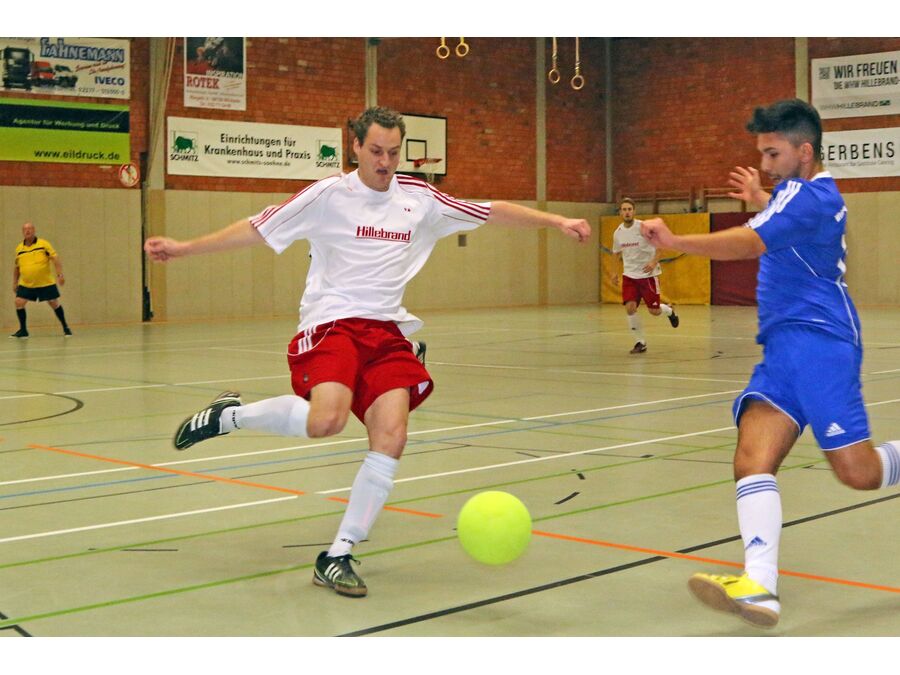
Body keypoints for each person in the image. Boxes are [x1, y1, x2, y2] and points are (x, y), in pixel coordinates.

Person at [144, 106, 591, 598]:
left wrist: (555, 219)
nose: (385, 162)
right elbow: (257, 228)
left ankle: (338, 554)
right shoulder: (327, 196)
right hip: (333, 323)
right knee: (326, 420)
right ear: (355, 146)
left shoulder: (419, 198)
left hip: (386, 331)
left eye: (394, 153)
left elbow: (490, 210)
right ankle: (229, 416)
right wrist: (184, 248)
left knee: (392, 436)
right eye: (376, 151)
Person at [641, 98, 900, 628]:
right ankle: (760, 586)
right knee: (751, 459)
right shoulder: (801, 194)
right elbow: (782, 217)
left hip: (821, 346)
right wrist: (763, 196)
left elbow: (748, 243)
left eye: (773, 153)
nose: (764, 164)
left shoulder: (810, 197)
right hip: (782, 351)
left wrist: (675, 240)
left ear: (804, 152)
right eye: (761, 153)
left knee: (859, 473)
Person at [608, 197, 679, 353]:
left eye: (629, 209)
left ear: (634, 211)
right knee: (630, 308)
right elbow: (616, 253)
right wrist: (614, 272)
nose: (627, 212)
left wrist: (653, 262)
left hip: (648, 275)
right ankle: (640, 342)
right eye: (624, 210)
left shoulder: (644, 228)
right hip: (629, 276)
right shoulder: (618, 233)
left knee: (654, 311)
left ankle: (669, 311)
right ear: (620, 212)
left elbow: (659, 246)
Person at [10, 222, 72, 338]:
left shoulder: (43, 244)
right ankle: (23, 330)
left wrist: (60, 275)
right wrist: (15, 282)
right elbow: (17, 267)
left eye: (30, 228)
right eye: (25, 229)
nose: (27, 231)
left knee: (54, 303)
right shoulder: (19, 248)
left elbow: (55, 259)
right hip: (27, 284)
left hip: (45, 283)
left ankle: (66, 327)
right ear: (22, 232)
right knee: (18, 302)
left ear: (34, 230)